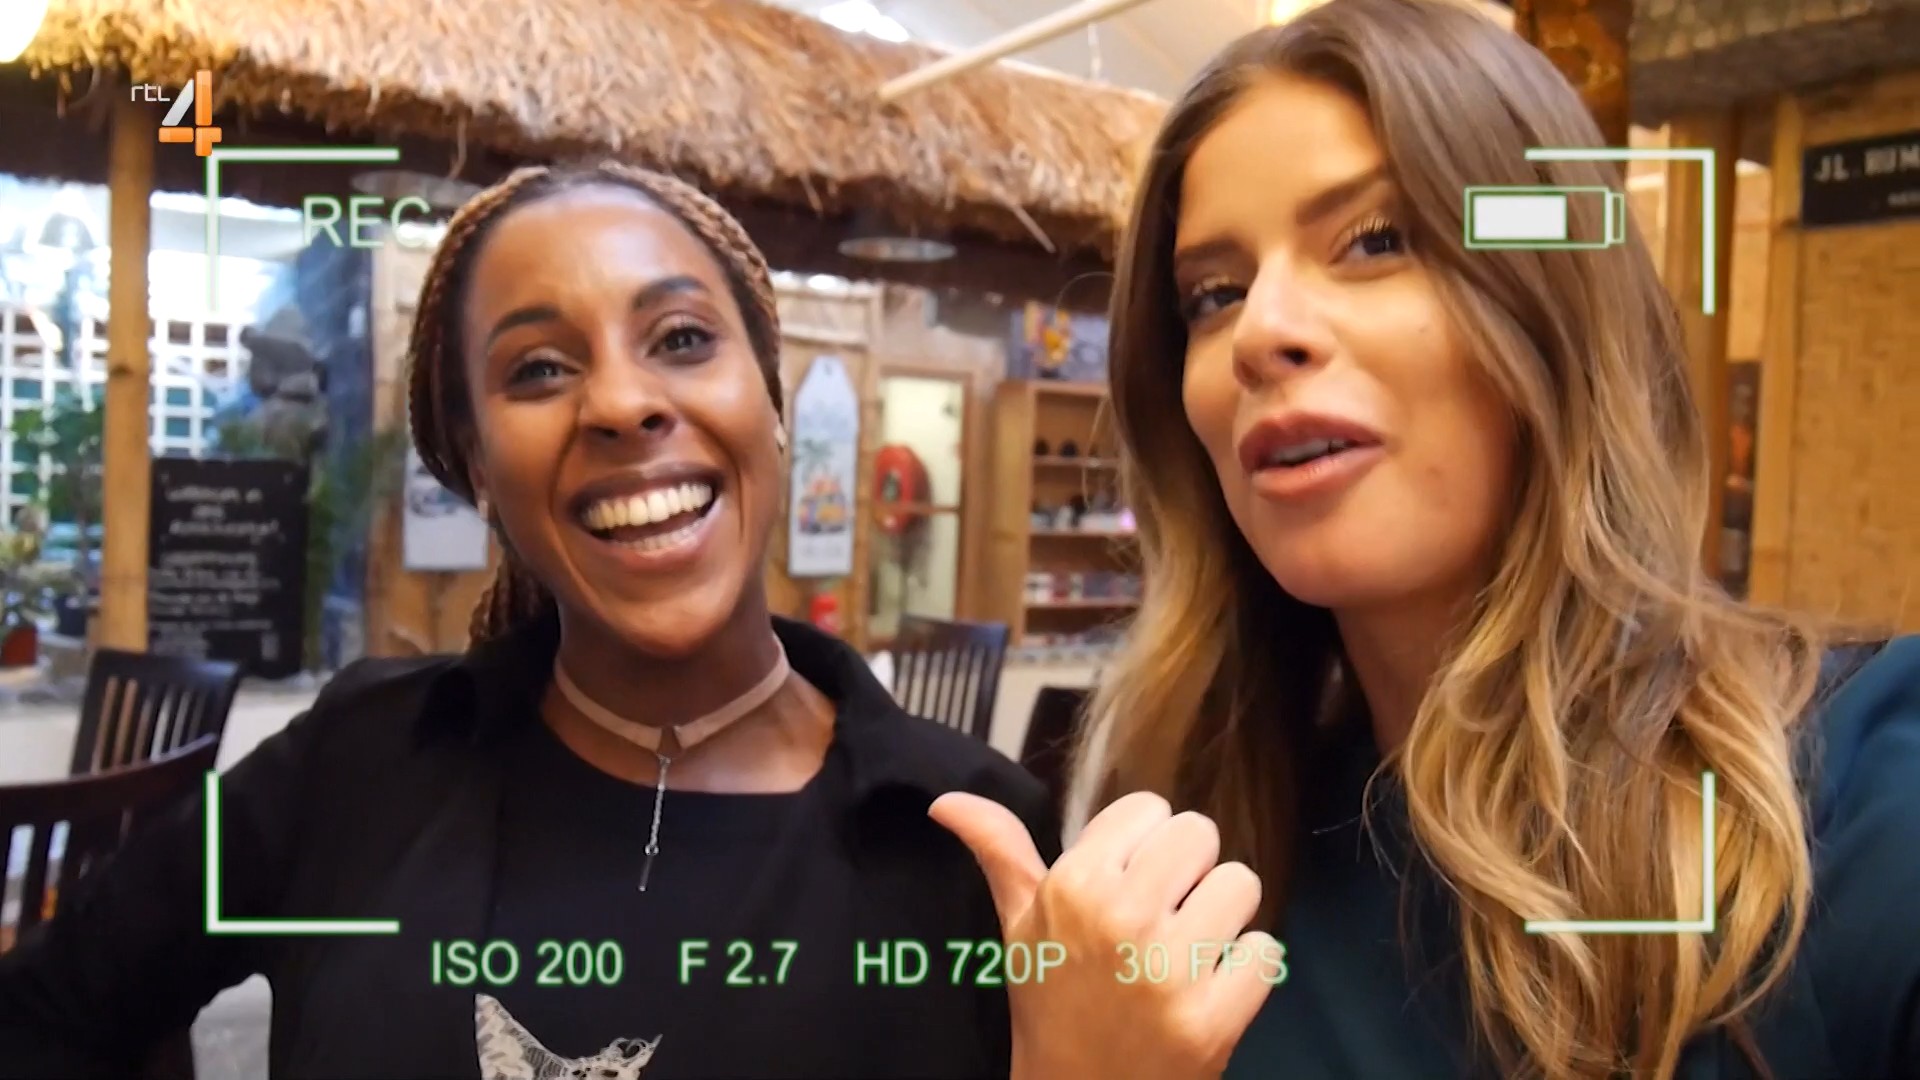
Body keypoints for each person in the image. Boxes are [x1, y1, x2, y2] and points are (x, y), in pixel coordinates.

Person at [928, 1, 1920, 1077]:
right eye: (1213, 294)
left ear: (1553, 304)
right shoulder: (1190, 856)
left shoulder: (1860, 797)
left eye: (1377, 240)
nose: (1259, 331)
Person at [0, 162, 1058, 1079]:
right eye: (540, 369)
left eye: (683, 337)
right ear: (474, 466)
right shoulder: (359, 762)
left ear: (772, 408)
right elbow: (49, 1011)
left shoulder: (977, 837)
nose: (622, 404)